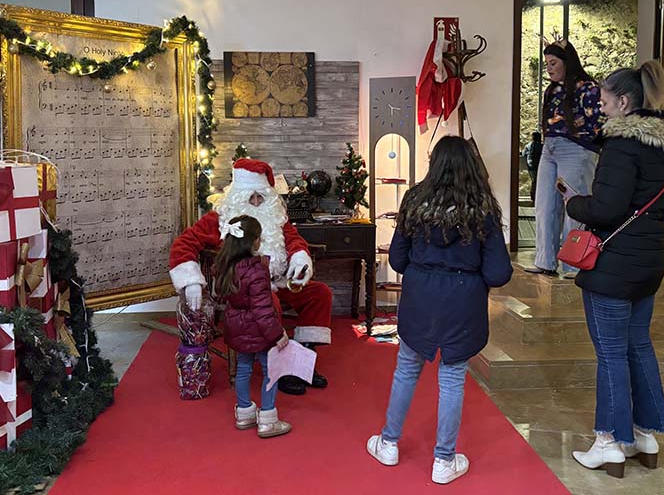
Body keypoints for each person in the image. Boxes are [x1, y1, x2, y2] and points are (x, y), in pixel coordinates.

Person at [564, 61, 664, 477]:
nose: (602, 109)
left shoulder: (622, 144)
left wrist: (573, 202)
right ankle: (645, 435)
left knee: (611, 354)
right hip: (650, 262)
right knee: (638, 345)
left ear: (625, 102)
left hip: (614, 263)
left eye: (605, 102)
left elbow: (606, 209)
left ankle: (608, 442)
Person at [365, 136, 513, 485]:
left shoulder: (414, 200)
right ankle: (444, 461)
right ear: (471, 165)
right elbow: (498, 272)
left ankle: (388, 443)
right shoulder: (483, 207)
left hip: (420, 296)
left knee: (406, 369)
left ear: (434, 164)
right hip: (463, 300)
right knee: (452, 379)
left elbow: (397, 259)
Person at [169, 158, 332, 396]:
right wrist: (191, 281)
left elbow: (294, 240)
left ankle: (300, 364)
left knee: (319, 294)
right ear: (237, 196)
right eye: (250, 197)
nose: (256, 202)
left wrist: (299, 259)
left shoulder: (275, 216)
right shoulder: (220, 218)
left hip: (276, 282)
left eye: (261, 197)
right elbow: (184, 243)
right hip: (242, 289)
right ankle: (281, 368)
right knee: (269, 305)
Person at [525, 39, 604, 278]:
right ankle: (545, 261)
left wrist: (586, 142)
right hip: (550, 148)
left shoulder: (587, 88)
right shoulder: (552, 89)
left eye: (553, 63)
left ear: (567, 62)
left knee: (575, 206)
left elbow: (599, 122)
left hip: (576, 149)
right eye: (547, 63)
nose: (548, 68)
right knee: (545, 205)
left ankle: (574, 263)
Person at [214, 215, 292, 438]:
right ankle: (268, 419)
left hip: (237, 327)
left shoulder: (225, 266)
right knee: (270, 371)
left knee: (243, 368)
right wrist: (277, 334)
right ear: (254, 241)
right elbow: (262, 309)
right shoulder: (256, 270)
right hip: (259, 331)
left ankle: (244, 413)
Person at [522, 131, 543, 203]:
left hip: (530, 166)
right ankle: (535, 197)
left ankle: (533, 197)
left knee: (534, 181)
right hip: (538, 166)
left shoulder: (529, 145)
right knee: (537, 181)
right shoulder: (541, 146)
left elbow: (523, 153)